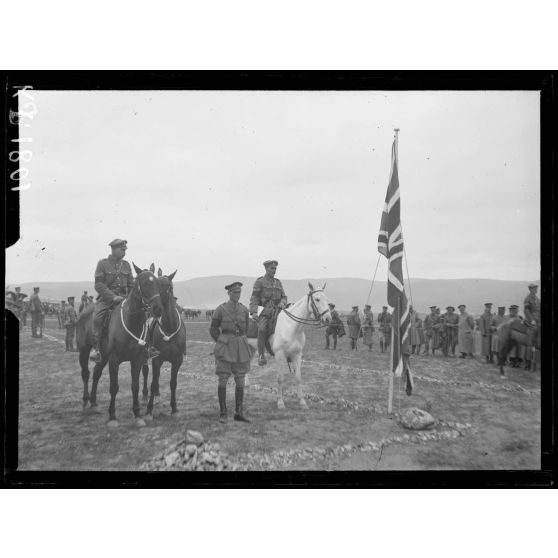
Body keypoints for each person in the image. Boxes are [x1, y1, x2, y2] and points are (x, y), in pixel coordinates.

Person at [210, 282, 255, 423]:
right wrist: (221, 341)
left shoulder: (244, 310)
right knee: (223, 378)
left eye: (239, 293)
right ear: (229, 293)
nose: (237, 295)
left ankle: (239, 412)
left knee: (240, 378)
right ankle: (223, 413)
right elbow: (213, 328)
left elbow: (246, 328)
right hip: (225, 347)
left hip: (240, 347)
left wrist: (240, 340)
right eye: (235, 293)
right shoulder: (221, 309)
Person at [91, 239, 136, 363]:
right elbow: (99, 285)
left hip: (124, 300)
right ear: (114, 249)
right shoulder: (102, 264)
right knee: (97, 319)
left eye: (125, 250)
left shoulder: (126, 265)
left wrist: (129, 298)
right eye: (122, 250)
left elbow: (131, 285)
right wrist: (112, 297)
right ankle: (96, 349)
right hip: (107, 300)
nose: (124, 253)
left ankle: (145, 347)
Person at [249, 260, 288, 366]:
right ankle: (261, 355)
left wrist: (282, 303)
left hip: (278, 311)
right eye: (272, 268)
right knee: (261, 329)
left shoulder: (278, 282)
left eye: (275, 269)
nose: (274, 271)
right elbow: (254, 298)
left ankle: (290, 351)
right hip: (265, 312)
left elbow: (284, 297)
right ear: (266, 269)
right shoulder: (260, 282)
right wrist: (254, 312)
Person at [523, 283, 541, 370]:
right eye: (534, 288)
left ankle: (537, 363)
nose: (536, 290)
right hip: (531, 322)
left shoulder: (538, 299)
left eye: (536, 288)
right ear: (530, 289)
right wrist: (531, 320)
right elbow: (526, 311)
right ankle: (528, 363)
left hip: (538, 321)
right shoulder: (527, 299)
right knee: (530, 342)